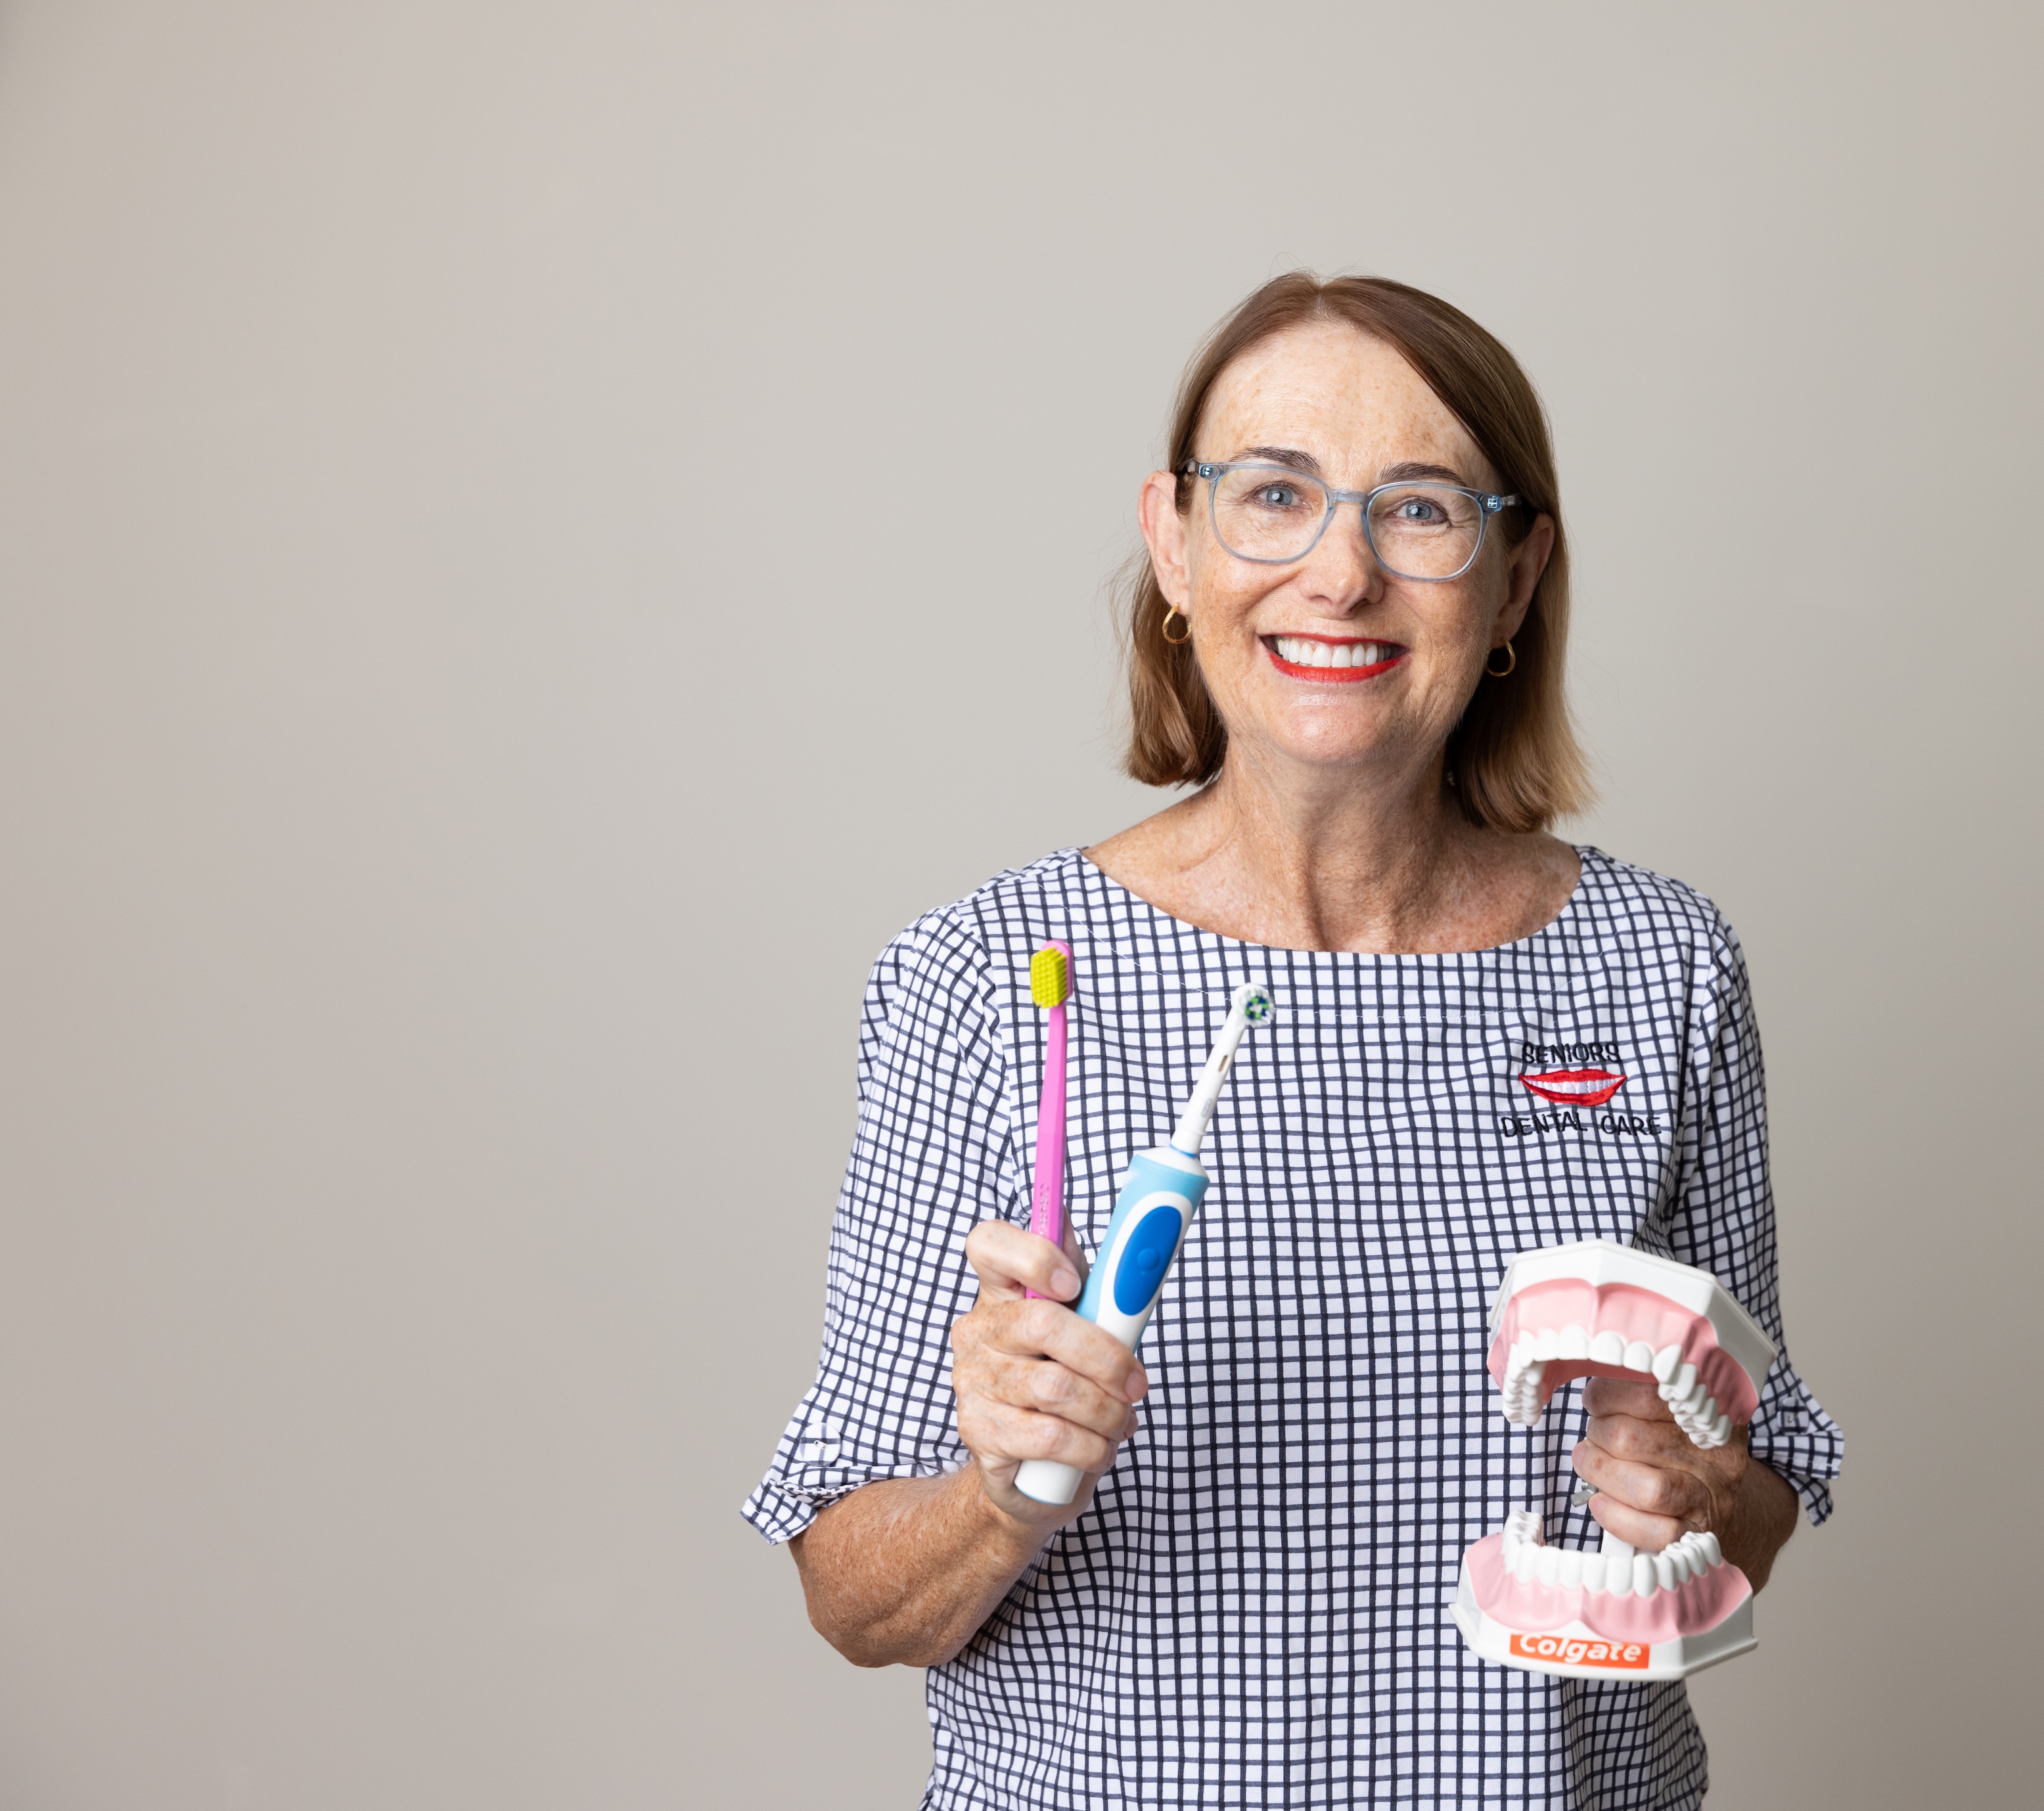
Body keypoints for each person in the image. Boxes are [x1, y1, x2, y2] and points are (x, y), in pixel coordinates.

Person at [744, 273, 1841, 1810]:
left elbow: (1769, 1485)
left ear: (1515, 579)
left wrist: (1703, 1490)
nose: (1340, 573)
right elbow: (854, 1595)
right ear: (1176, 542)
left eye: (1420, 508)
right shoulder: (988, 974)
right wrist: (1002, 1488)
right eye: (1274, 495)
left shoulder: (1661, 964)